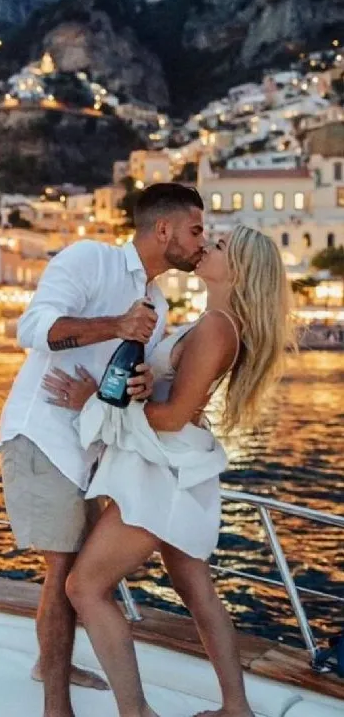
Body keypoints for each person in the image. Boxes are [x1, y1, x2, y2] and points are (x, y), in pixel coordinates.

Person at [43, 224, 293, 717]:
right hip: (173, 467)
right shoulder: (213, 322)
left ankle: (136, 712)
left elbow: (175, 416)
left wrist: (92, 400)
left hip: (161, 474)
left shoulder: (217, 327)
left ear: (238, 268)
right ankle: (236, 709)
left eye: (217, 246)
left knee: (84, 587)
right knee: (197, 590)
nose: (205, 247)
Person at [0, 182, 206, 717]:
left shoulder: (157, 304)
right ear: (164, 230)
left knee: (72, 573)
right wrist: (115, 325)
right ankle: (55, 705)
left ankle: (52, 664)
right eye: (196, 230)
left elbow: (131, 378)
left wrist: (145, 386)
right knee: (65, 568)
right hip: (42, 432)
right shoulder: (91, 259)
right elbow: (34, 328)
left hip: (88, 450)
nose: (201, 242)